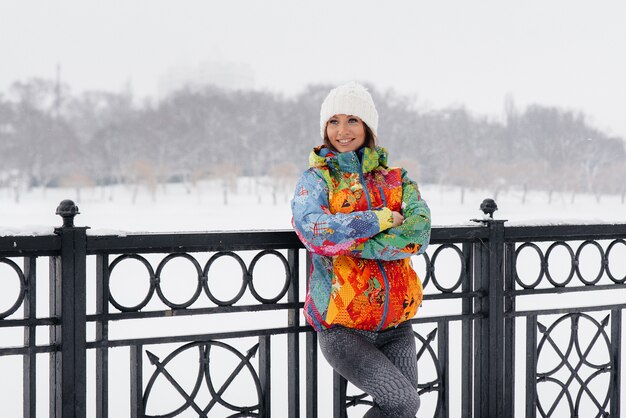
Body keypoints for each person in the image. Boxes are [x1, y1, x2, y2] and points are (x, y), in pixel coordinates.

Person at [291, 81, 431, 418]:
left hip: (396, 323)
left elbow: (418, 235)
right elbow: (316, 233)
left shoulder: (397, 180)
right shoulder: (316, 180)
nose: (342, 130)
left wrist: (349, 243)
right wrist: (381, 218)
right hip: (342, 326)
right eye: (334, 121)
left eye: (352, 120)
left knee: (401, 409)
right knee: (404, 402)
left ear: (368, 126)